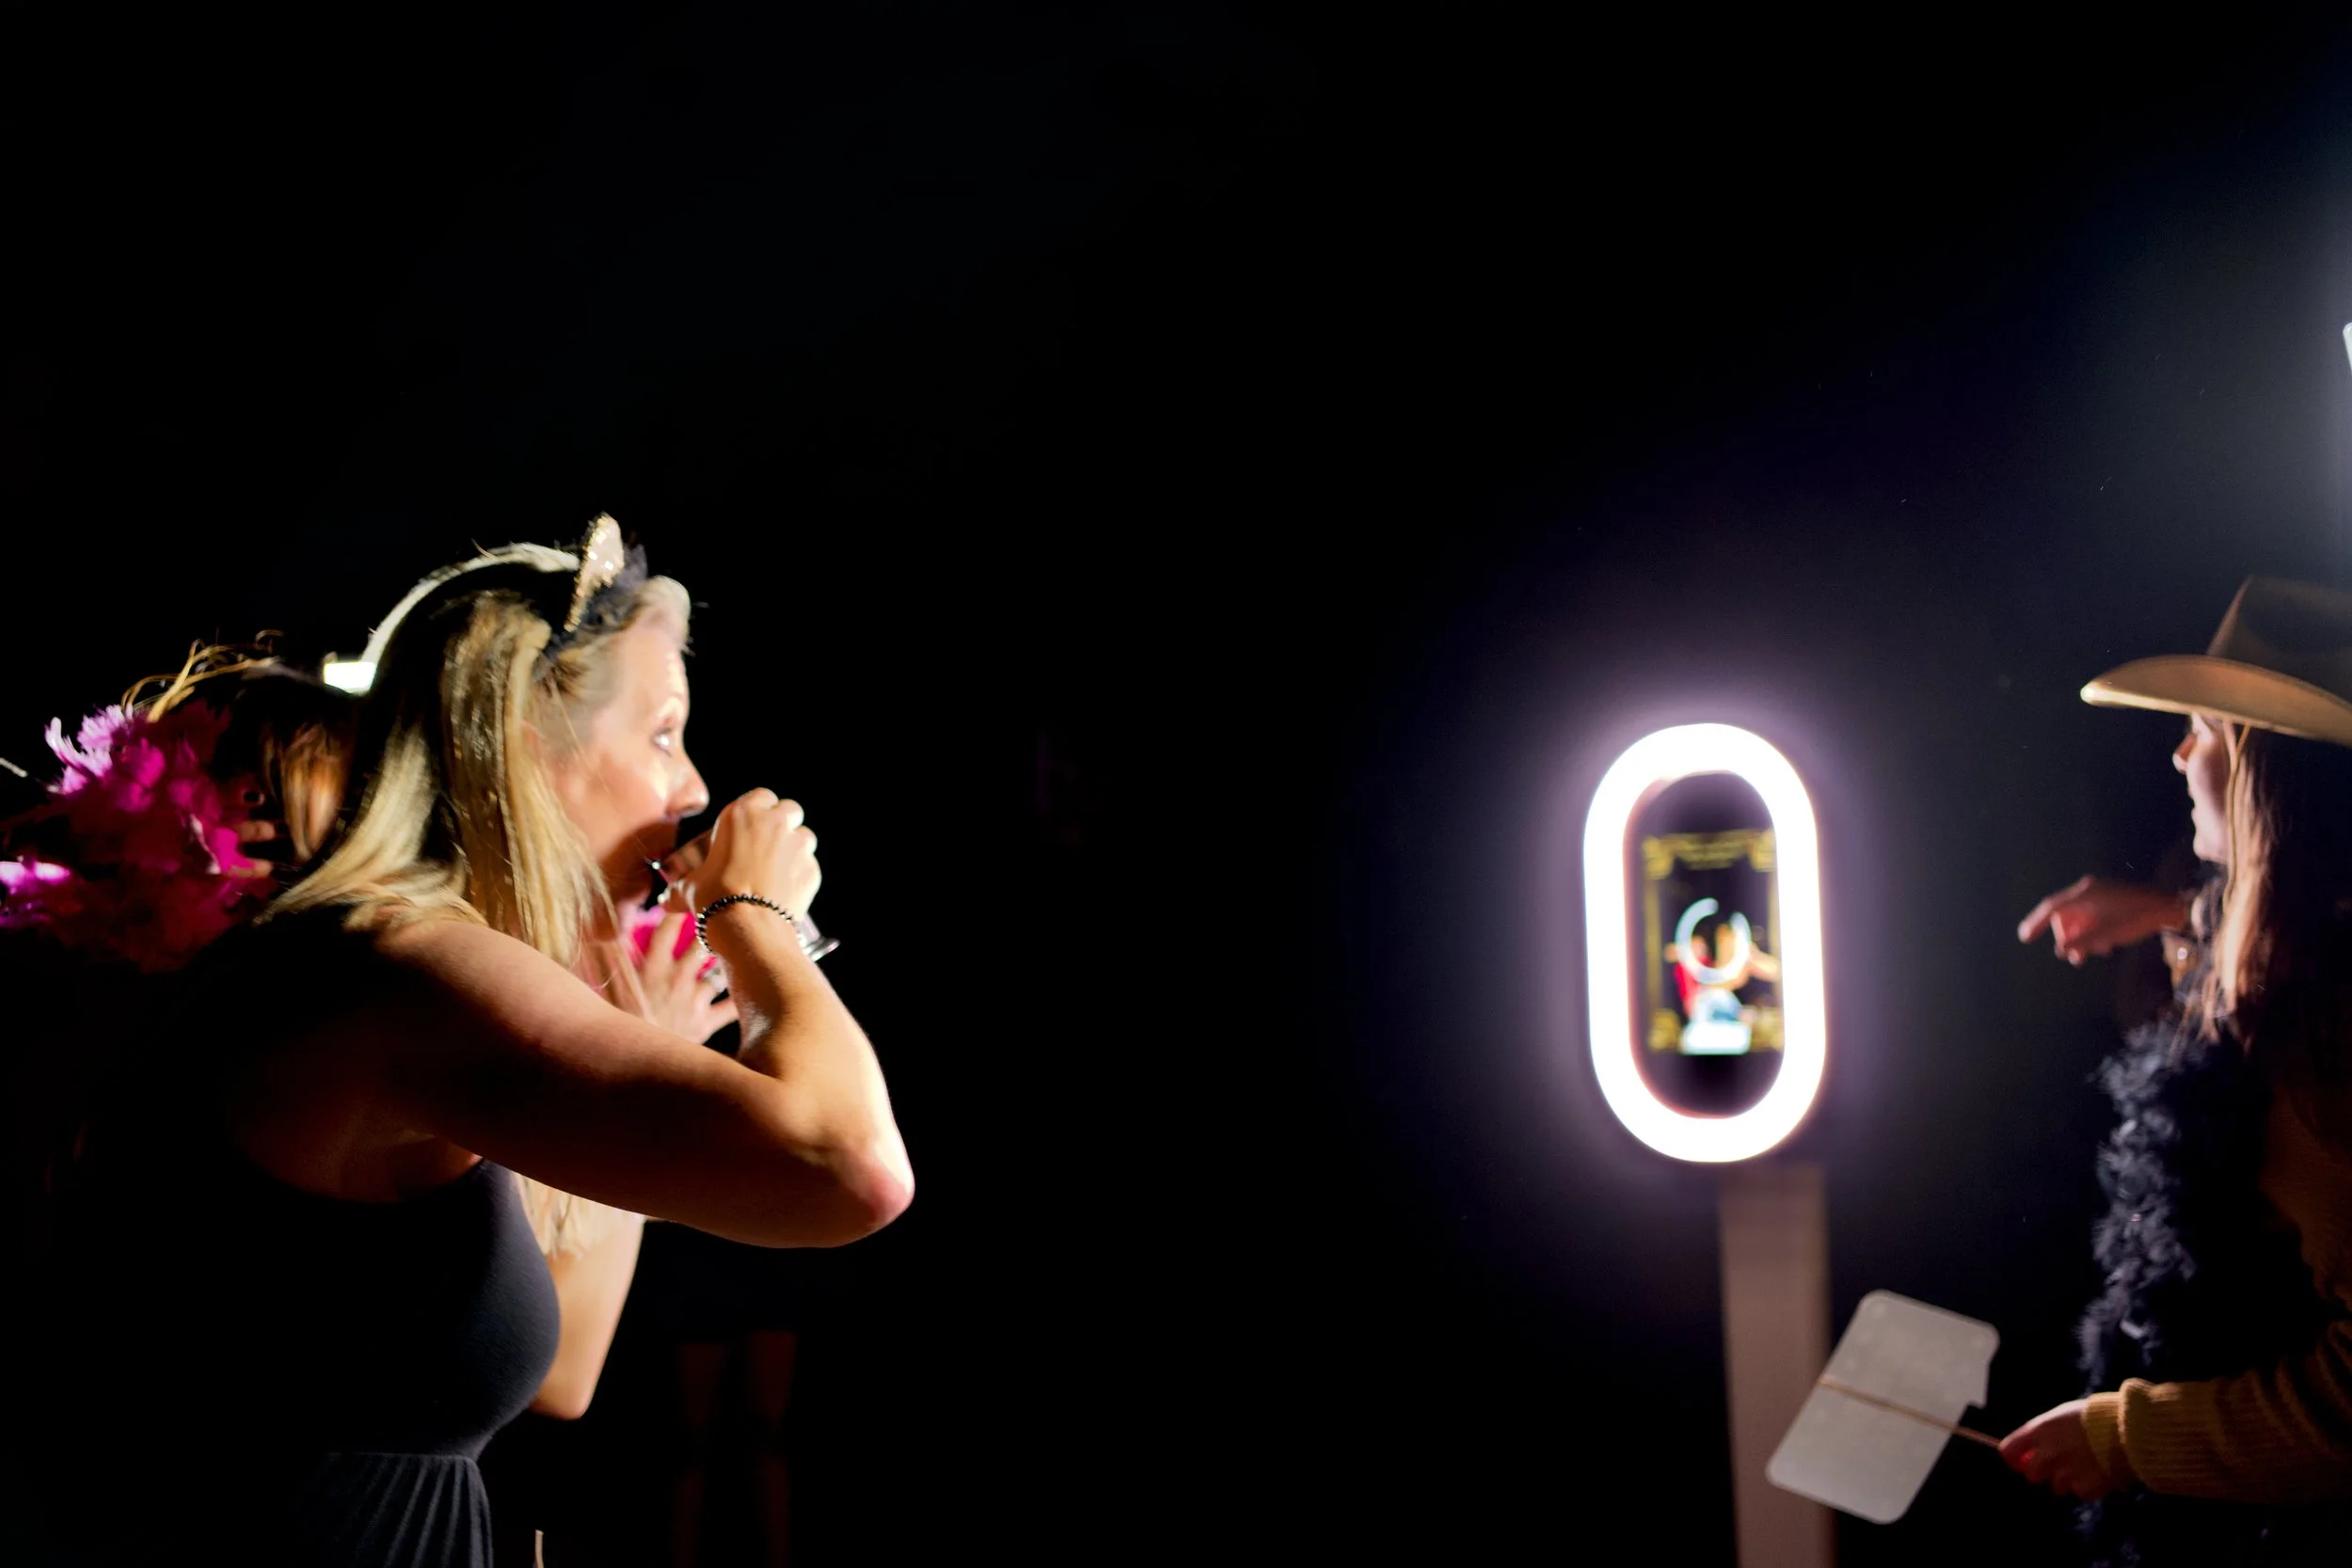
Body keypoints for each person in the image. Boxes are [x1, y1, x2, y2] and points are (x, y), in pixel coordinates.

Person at [23, 520, 913, 1566]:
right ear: (526, 744)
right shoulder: (407, 970)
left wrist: (636, 1042)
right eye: (663, 732)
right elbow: (845, 1164)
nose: (690, 790)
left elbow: (562, 1375)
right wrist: (756, 912)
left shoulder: (387, 962)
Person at [2001, 578, 2352, 1563]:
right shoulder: (2313, 969)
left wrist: (2125, 1437)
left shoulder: (2320, 1055)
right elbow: (2273, 928)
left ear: (2256, 772)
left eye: (2200, 729)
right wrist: (2166, 915)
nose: (2177, 752)